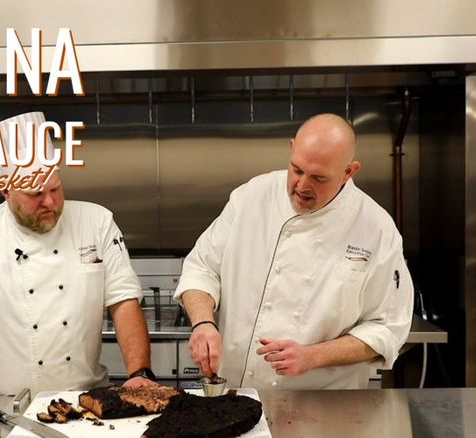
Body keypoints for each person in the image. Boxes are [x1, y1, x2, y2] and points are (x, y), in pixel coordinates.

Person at [0, 112, 154, 425]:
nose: (50, 202)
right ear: (5, 191)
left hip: (84, 407)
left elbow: (124, 301)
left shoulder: (96, 221)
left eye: (56, 189)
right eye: (35, 194)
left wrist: (139, 373)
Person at [175, 113, 414, 390]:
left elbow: (387, 328)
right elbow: (201, 267)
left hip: (324, 408)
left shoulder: (377, 229)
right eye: (297, 169)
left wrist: (313, 356)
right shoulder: (252, 197)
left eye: (319, 178)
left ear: (349, 171)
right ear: (291, 148)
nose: (302, 186)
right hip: (236, 397)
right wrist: (203, 322)